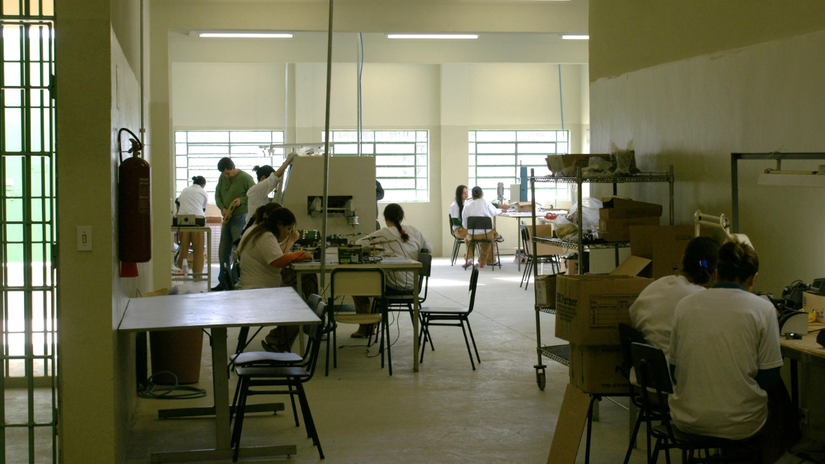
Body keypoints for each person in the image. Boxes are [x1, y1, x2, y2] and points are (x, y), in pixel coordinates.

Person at [668, 240, 799, 462]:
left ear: (716, 273)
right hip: (742, 425)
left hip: (687, 418)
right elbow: (769, 379)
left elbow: (674, 370)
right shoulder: (764, 309)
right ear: (753, 278)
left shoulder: (685, 305)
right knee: (778, 402)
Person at [236, 207, 312, 352]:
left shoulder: (260, 232)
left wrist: (293, 249)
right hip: (258, 293)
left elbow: (276, 254)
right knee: (301, 305)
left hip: (258, 288)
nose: (289, 232)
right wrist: (300, 254)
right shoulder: (265, 236)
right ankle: (278, 342)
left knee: (306, 283)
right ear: (279, 224)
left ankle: (307, 324)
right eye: (288, 228)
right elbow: (278, 261)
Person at [351, 203, 433, 338]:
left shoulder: (383, 233)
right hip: (414, 286)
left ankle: (366, 327)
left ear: (385, 219)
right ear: (402, 218)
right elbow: (429, 249)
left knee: (359, 287)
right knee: (380, 284)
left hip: (393, 287)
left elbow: (358, 243)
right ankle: (372, 323)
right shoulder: (414, 231)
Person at [629, 236, 719, 357]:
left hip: (646, 368)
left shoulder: (656, 285)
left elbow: (633, 316)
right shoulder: (702, 299)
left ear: (683, 259)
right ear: (714, 274)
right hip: (674, 371)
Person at [213, 157, 255, 291]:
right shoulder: (222, 178)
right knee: (223, 251)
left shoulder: (246, 178)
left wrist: (241, 200)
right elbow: (217, 194)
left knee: (238, 250)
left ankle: (235, 281)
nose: (226, 176)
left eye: (228, 173)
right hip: (227, 217)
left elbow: (253, 195)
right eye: (224, 174)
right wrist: (222, 208)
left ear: (234, 168)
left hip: (240, 216)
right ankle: (223, 282)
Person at [461, 186, 505, 269]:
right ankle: (482, 262)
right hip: (487, 234)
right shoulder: (486, 202)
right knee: (487, 242)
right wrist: (501, 210)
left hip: (473, 235)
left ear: (472, 195)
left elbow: (465, 225)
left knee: (468, 239)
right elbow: (495, 212)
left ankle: (469, 258)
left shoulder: (467, 206)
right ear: (482, 194)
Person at [246, 153, 297, 222]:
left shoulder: (260, 191)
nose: (274, 185)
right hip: (254, 225)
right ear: (263, 178)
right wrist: (288, 162)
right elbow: (275, 177)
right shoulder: (258, 189)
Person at [175, 176, 208, 278]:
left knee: (183, 249)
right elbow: (203, 209)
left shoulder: (185, 189)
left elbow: (177, 201)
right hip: (197, 221)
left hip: (182, 220)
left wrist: (179, 212)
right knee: (198, 251)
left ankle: (181, 275)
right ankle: (197, 276)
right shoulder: (203, 192)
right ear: (203, 184)